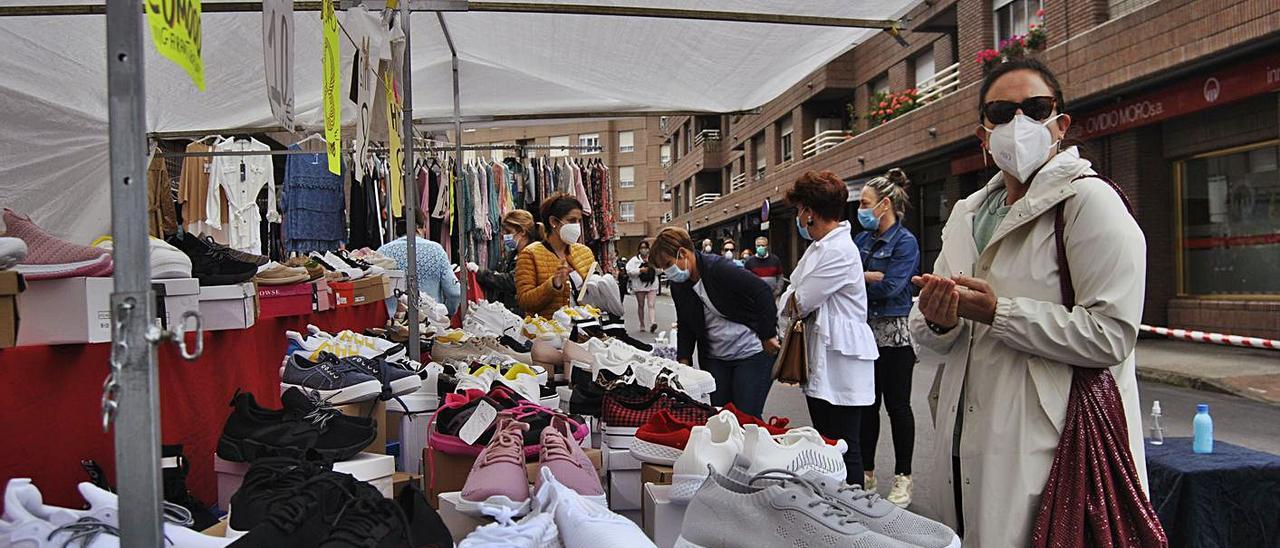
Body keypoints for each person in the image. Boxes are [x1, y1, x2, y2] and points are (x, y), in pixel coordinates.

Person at [908, 58, 1147, 546]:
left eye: (1035, 109)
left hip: (1051, 443)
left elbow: (1111, 335)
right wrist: (937, 321)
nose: (1019, 124)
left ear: (1060, 125)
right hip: (961, 436)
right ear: (983, 135)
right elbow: (928, 341)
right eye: (1002, 111)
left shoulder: (1090, 202)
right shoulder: (967, 214)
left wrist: (999, 313)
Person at [779, 170, 879, 486]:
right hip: (825, 355)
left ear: (810, 211)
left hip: (843, 361)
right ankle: (837, 509)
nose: (798, 217)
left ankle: (852, 514)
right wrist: (791, 296)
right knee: (827, 443)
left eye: (799, 210)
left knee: (844, 445)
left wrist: (791, 296)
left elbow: (800, 300)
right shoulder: (821, 247)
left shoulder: (838, 249)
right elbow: (790, 295)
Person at [650, 227, 779, 417]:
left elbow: (762, 292)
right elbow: (685, 323)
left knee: (747, 417)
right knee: (719, 417)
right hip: (716, 359)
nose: (667, 271)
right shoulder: (680, 286)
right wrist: (684, 360)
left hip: (751, 353)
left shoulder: (719, 268)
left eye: (668, 264)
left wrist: (768, 335)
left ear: (683, 253)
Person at [853, 168, 920, 507]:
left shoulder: (906, 242)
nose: (860, 210)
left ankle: (903, 478)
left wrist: (857, 280)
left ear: (885, 204)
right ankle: (866, 474)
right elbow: (846, 277)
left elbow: (893, 285)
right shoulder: (861, 240)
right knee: (867, 407)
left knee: (898, 407)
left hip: (895, 336)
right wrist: (866, 276)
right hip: (865, 334)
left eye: (865, 203)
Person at [515, 193, 596, 318]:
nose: (577, 226)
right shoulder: (530, 254)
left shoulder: (585, 252)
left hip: (586, 329)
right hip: (550, 332)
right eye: (571, 220)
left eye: (579, 221)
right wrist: (553, 284)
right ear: (553, 222)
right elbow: (525, 302)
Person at [378, 209, 461, 314]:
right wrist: (449, 312)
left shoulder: (383, 252)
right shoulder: (436, 251)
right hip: (432, 322)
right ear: (420, 228)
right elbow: (455, 292)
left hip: (395, 323)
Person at [471, 209, 536, 315]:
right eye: (504, 232)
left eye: (509, 232)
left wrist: (480, 272)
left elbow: (510, 281)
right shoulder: (512, 255)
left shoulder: (532, 254)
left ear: (522, 232)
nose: (505, 236)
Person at [626, 240, 659, 333]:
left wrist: (653, 268)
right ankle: (642, 324)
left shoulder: (653, 259)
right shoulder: (634, 260)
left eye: (645, 248)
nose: (644, 250)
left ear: (649, 249)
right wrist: (640, 270)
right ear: (639, 249)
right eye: (642, 248)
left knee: (651, 304)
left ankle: (653, 322)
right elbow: (629, 271)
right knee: (641, 305)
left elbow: (660, 270)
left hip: (652, 284)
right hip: (639, 285)